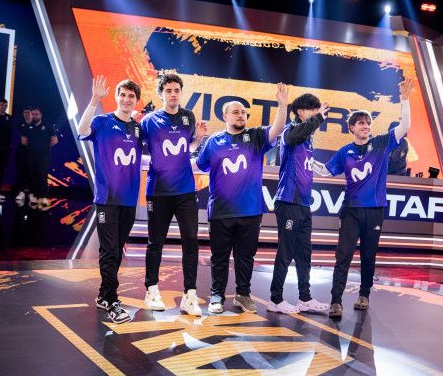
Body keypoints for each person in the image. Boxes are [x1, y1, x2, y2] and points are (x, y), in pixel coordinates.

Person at [313, 79, 414, 318]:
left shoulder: (381, 144)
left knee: (368, 256)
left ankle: (364, 295)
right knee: (343, 256)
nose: (366, 126)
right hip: (351, 210)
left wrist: (405, 99)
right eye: (361, 123)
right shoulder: (344, 152)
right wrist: (308, 159)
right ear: (352, 128)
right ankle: (336, 301)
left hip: (375, 210)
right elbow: (326, 171)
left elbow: (405, 125)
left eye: (368, 123)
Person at [195, 83, 288, 314]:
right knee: (219, 257)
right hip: (221, 210)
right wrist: (195, 141)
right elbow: (200, 165)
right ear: (225, 116)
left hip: (250, 210)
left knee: (246, 256)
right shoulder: (214, 141)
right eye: (235, 112)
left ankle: (243, 295)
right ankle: (216, 296)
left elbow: (277, 129)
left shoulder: (255, 136)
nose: (241, 115)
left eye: (244, 112)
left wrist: (282, 105)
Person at [141, 73, 207, 315]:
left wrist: (199, 139)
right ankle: (151, 290)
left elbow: (186, 149)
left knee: (191, 241)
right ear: (161, 94)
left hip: (186, 190)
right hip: (158, 191)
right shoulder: (149, 121)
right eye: (168, 90)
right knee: (155, 242)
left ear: (181, 92)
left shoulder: (189, 117)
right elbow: (139, 149)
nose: (173, 94)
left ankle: (190, 295)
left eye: (176, 90)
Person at [78, 75, 143, 324]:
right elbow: (82, 130)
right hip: (107, 198)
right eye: (123, 95)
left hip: (129, 198)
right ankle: (112, 300)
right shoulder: (102, 121)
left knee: (117, 249)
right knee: (109, 250)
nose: (126, 99)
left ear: (136, 100)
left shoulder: (138, 128)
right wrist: (95, 99)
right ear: (116, 97)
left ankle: (104, 296)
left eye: (131, 96)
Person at [268, 93, 330, 314]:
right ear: (301, 112)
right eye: (313, 110)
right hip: (288, 202)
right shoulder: (290, 132)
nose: (317, 114)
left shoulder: (308, 139)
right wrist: (319, 117)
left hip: (303, 204)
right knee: (286, 251)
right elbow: (297, 135)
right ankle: (275, 299)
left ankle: (305, 298)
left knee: (304, 252)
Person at [21, 107, 57, 207]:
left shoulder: (48, 126)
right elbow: (24, 141)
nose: (34, 116)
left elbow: (54, 141)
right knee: (33, 176)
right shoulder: (27, 127)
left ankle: (44, 197)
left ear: (41, 115)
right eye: (33, 114)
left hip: (44, 157)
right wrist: (33, 147)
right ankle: (34, 196)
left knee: (42, 176)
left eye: (36, 114)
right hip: (31, 156)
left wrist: (44, 147)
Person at [14, 108, 33, 202]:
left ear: (31, 113)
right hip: (21, 152)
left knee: (32, 172)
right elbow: (23, 139)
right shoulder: (20, 124)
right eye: (25, 112)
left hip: (33, 152)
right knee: (21, 172)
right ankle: (21, 191)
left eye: (28, 112)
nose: (26, 114)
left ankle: (31, 192)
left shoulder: (36, 124)